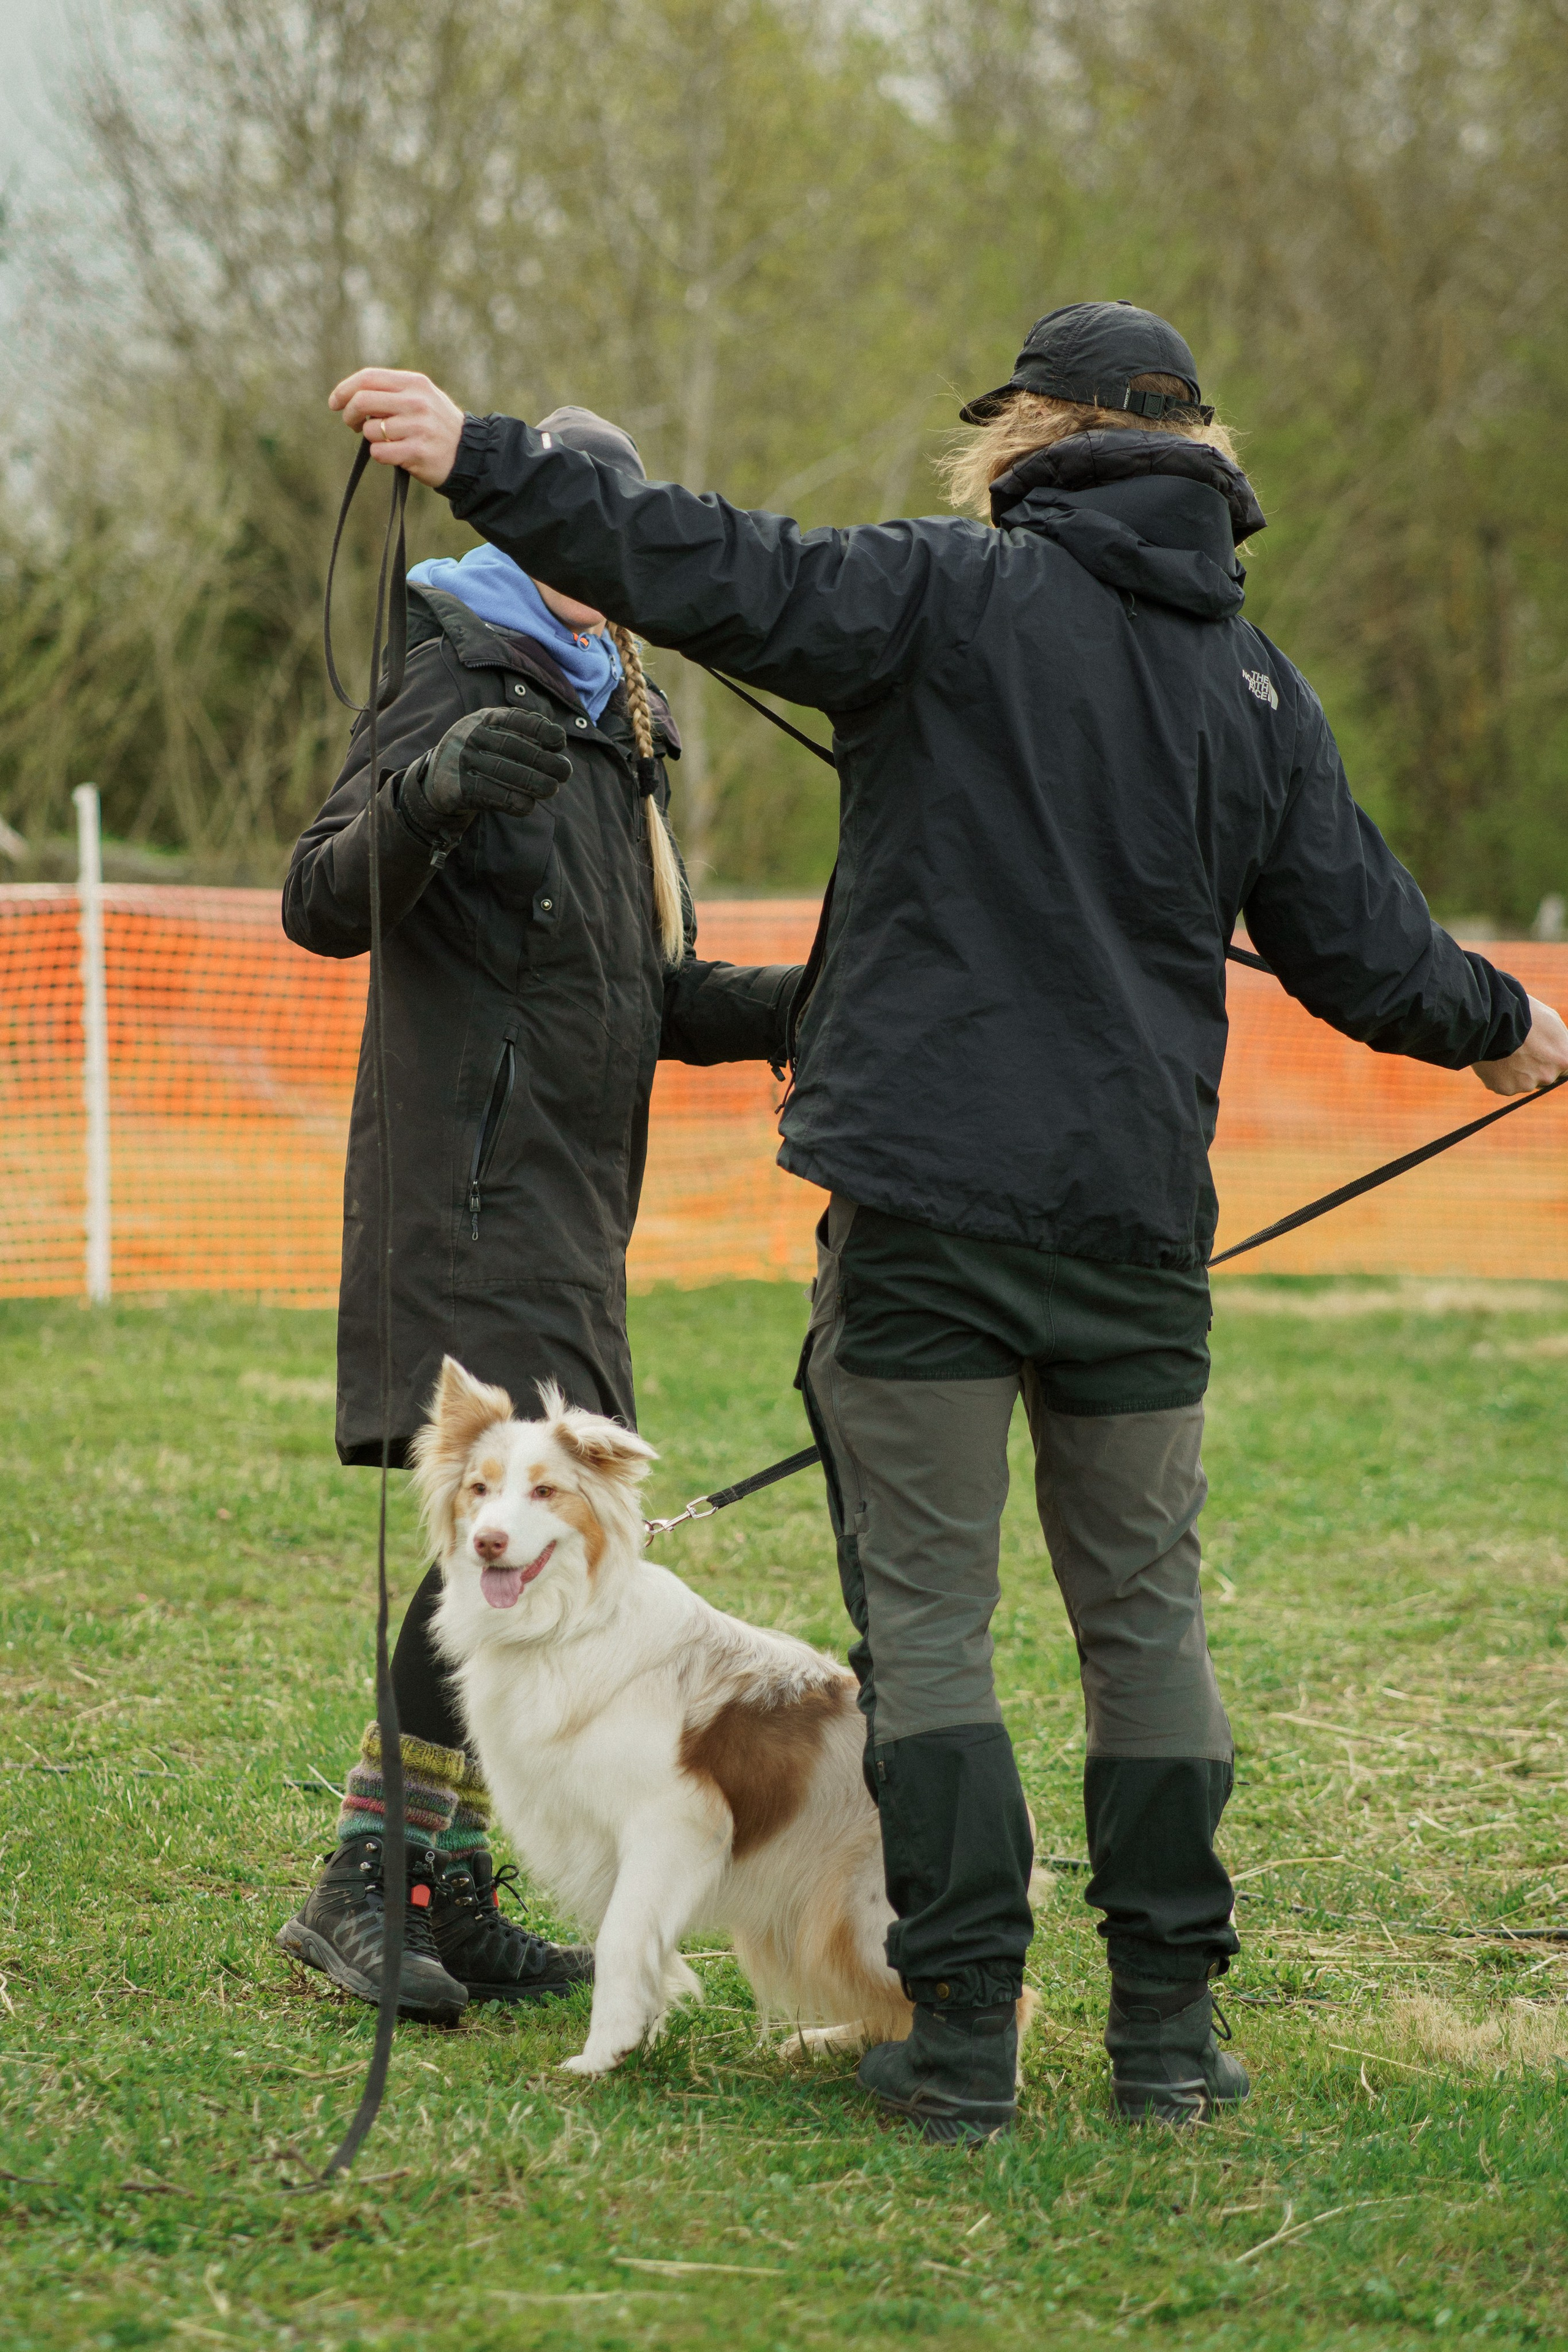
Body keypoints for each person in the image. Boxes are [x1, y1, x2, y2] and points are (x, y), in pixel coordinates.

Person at [326, 309, 1568, 2132]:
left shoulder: (944, 596)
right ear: (1194, 459)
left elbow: (703, 560)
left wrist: (482, 454)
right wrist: (1511, 1026)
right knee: (1146, 1626)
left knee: (927, 1633)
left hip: (926, 1215)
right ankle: (1169, 2038)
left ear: (1031, 440)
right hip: (1137, 1233)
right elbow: (1371, 949)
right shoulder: (1255, 685)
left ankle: (963, 2037)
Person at [276, 406, 802, 2027]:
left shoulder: (617, 728)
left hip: (574, 1205)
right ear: (517, 533)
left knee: (529, 1554)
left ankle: (441, 1880)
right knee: (513, 1543)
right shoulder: (461, 669)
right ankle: (369, 1884)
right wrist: (425, 797)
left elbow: (639, 994)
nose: (594, 567)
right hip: (469, 1190)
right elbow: (319, 899)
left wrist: (808, 1001)